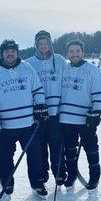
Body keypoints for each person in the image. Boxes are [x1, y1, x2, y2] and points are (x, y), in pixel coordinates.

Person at [0, 40, 47, 198]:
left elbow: (37, 90)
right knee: (5, 156)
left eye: (12, 51)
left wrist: (40, 106)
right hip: (6, 125)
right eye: (6, 51)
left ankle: (37, 183)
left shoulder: (27, 68)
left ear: (17, 53)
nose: (10, 54)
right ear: (2, 53)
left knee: (35, 155)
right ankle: (7, 181)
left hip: (28, 123)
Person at [59, 39, 101, 191]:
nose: (74, 54)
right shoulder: (64, 69)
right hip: (66, 118)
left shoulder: (92, 70)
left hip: (86, 118)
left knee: (91, 148)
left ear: (82, 52)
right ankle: (71, 174)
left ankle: (94, 176)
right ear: (68, 53)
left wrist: (96, 112)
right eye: (71, 52)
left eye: (77, 51)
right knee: (69, 150)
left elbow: (99, 93)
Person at [25, 30, 68, 186]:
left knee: (56, 144)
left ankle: (60, 173)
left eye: (46, 43)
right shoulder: (29, 63)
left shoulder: (60, 60)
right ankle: (42, 174)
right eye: (40, 44)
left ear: (50, 44)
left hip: (55, 112)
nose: (43, 46)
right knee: (40, 146)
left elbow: (67, 82)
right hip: (37, 113)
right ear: (36, 45)